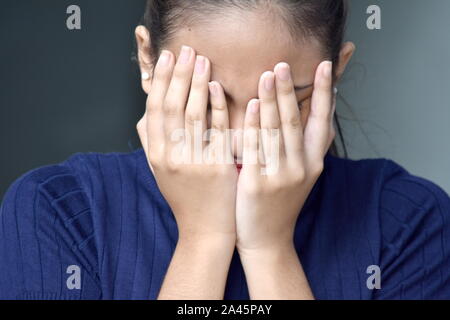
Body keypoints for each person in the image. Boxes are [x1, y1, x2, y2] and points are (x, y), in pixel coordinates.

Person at [1, 0, 450, 300]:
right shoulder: (55, 212)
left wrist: (270, 250)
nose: (241, 137)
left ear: (335, 75)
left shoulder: (409, 222)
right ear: (147, 60)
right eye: (208, 97)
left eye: (282, 103)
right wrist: (204, 240)